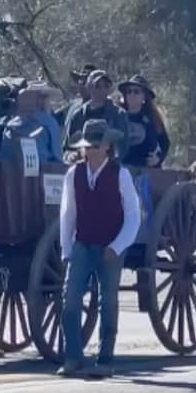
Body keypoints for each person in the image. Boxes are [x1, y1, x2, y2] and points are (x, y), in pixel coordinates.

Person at [58, 119, 141, 378]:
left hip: (110, 247)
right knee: (70, 300)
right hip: (82, 243)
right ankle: (73, 356)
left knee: (108, 302)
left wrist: (117, 247)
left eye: (96, 144)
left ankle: (105, 358)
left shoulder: (121, 174)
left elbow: (133, 216)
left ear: (107, 146)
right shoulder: (74, 174)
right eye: (87, 145)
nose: (90, 149)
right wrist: (66, 248)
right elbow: (67, 213)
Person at [62, 70, 129, 160]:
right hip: (82, 167)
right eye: (97, 86)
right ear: (89, 88)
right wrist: (71, 156)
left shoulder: (119, 114)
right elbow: (68, 148)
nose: (102, 89)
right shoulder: (78, 115)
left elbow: (123, 147)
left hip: (109, 167)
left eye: (106, 86)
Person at [0, 80, 63, 163]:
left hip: (11, 170)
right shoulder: (49, 122)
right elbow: (56, 153)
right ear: (40, 100)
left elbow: (4, 155)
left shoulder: (10, 124)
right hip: (44, 168)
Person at [117, 74, 171, 168]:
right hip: (123, 170)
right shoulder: (118, 116)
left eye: (136, 92)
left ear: (144, 97)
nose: (132, 94)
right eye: (129, 91)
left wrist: (158, 158)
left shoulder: (153, 118)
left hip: (147, 171)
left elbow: (165, 143)